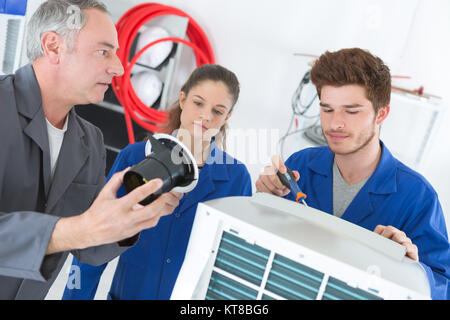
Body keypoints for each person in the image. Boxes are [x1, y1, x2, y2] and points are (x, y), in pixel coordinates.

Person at [0, 0, 181, 300]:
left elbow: (89, 248)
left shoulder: (89, 141)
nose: (119, 67)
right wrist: (77, 229)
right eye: (103, 51)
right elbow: (78, 231)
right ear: (54, 47)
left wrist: (136, 214)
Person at [255, 48, 450, 300]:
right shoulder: (300, 165)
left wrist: (411, 270)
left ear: (381, 114)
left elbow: (442, 287)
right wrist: (262, 202)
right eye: (327, 109)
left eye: (351, 111)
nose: (335, 123)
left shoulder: (417, 196)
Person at [62, 64, 252, 300]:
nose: (206, 116)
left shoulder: (236, 179)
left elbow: (234, 268)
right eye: (198, 103)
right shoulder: (134, 157)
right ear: (182, 98)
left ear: (227, 117)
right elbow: (94, 241)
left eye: (218, 111)